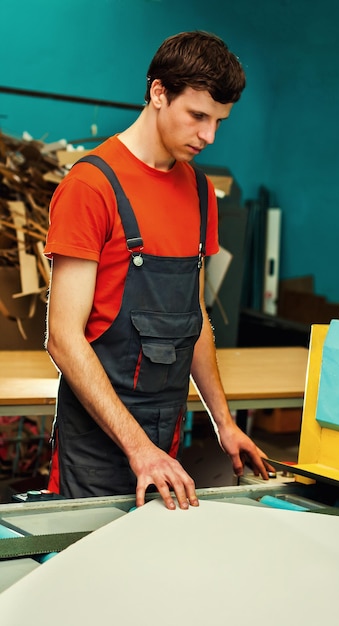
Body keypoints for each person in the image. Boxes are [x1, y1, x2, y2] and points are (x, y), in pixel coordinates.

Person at [44, 30, 271, 511]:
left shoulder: (200, 192)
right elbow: (63, 338)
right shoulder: (91, 186)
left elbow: (196, 319)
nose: (209, 136)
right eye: (198, 116)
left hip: (164, 442)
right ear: (158, 92)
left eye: (219, 122)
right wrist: (137, 448)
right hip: (97, 448)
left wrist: (223, 422)